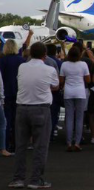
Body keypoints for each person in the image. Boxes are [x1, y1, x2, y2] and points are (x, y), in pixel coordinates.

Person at [8, 42, 59, 189]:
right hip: (41, 108)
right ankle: (36, 180)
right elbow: (55, 86)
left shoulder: (22, 67)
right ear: (45, 55)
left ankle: (18, 178)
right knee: (41, 146)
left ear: (30, 54)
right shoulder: (49, 69)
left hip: (22, 108)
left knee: (21, 145)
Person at [60, 47, 91, 152]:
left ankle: (69, 142)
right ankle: (77, 143)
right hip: (80, 92)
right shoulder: (83, 64)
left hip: (68, 92)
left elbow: (61, 80)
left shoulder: (64, 64)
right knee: (79, 118)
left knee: (69, 118)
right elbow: (88, 79)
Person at [0, 39, 25, 153]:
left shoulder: (2, 61)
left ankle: (4, 145)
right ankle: (16, 144)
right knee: (17, 121)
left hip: (5, 93)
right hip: (18, 93)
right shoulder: (21, 60)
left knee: (5, 121)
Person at [46, 43, 63, 141]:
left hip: (43, 90)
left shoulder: (44, 61)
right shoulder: (59, 62)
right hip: (55, 91)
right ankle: (52, 132)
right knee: (54, 113)